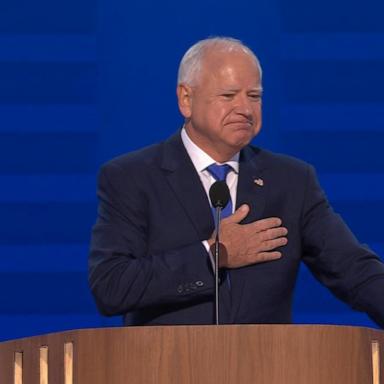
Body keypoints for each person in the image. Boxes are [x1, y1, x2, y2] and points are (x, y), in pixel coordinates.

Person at [89, 37, 384, 327]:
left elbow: (354, 270)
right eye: (228, 96)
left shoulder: (293, 181)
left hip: (265, 369)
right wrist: (214, 255)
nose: (245, 109)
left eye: (254, 96)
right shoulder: (132, 177)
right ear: (186, 99)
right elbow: (111, 286)